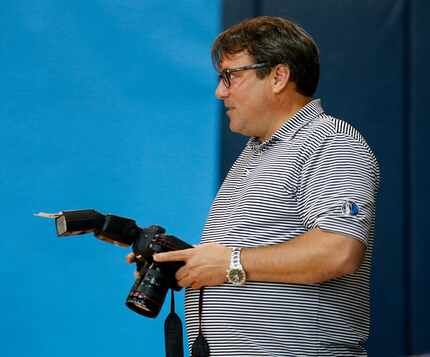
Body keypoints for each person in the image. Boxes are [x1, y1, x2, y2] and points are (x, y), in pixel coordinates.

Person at [129, 16, 379, 356]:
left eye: (230, 76)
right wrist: (187, 265)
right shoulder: (254, 154)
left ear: (278, 77)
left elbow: (338, 250)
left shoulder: (331, 142)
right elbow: (242, 262)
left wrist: (230, 263)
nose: (220, 91)